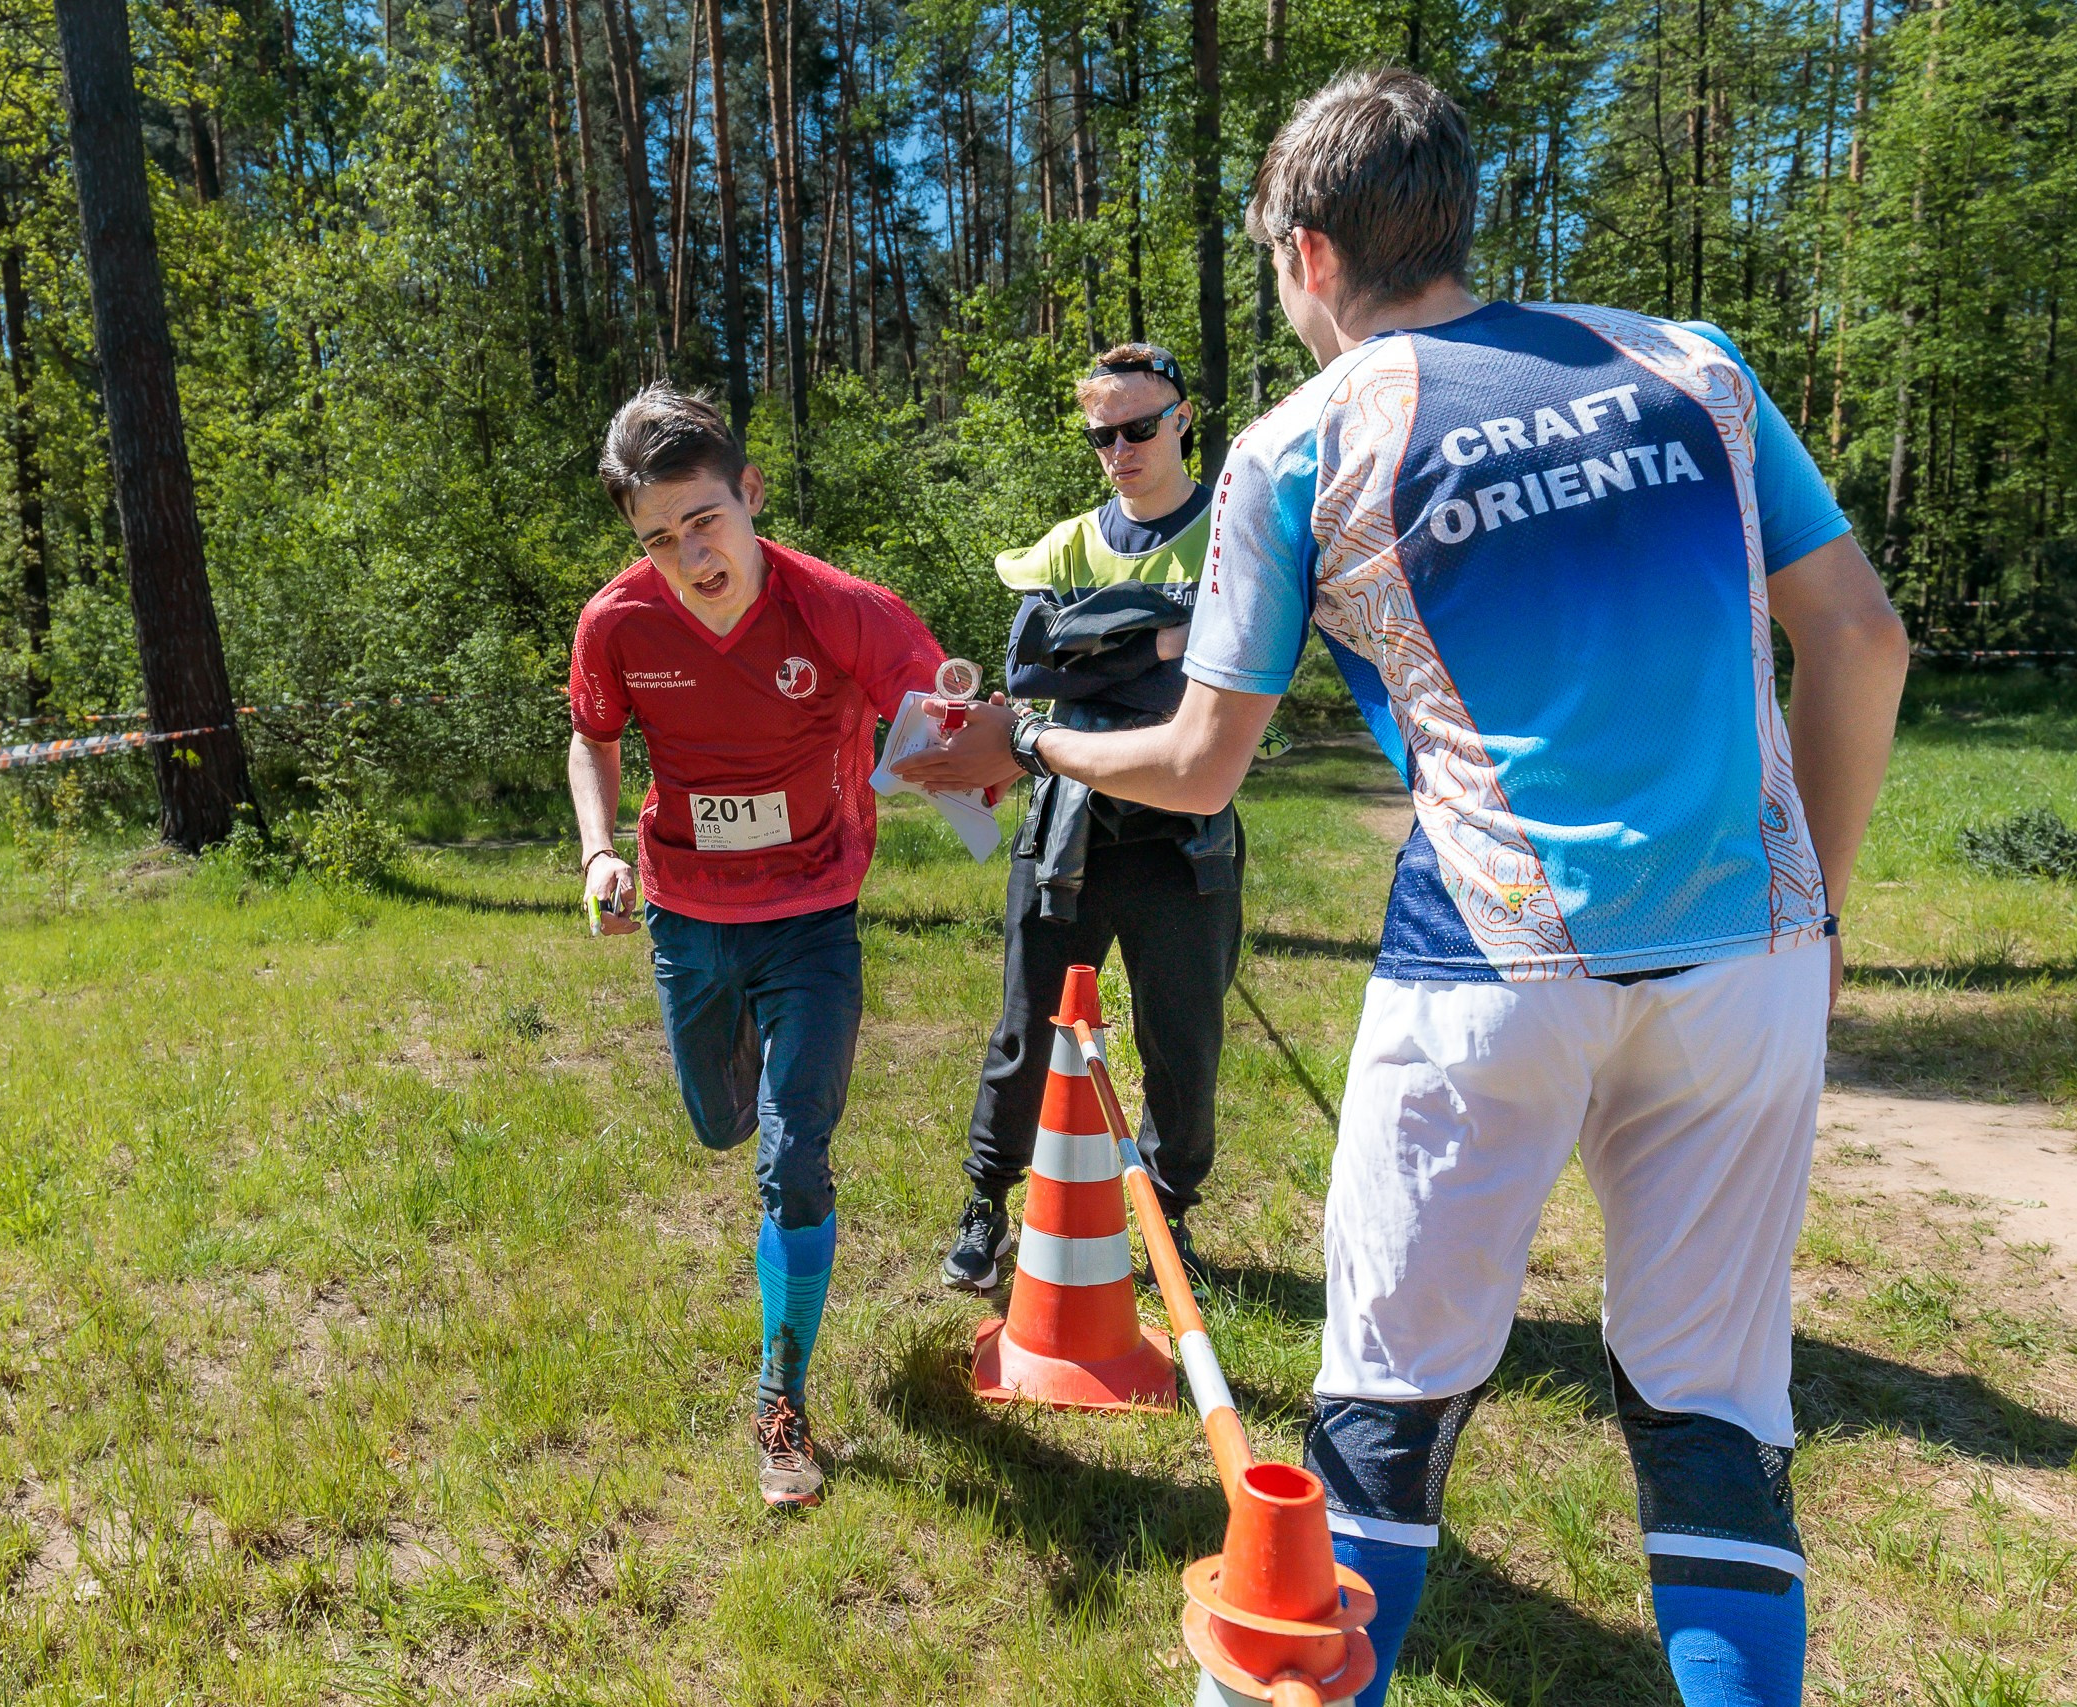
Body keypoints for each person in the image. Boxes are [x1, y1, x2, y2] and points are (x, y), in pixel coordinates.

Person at [897, 68, 1909, 1707]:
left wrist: (1027, 738)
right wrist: (1823, 916)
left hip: (1490, 968)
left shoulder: (1303, 443)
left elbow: (1200, 764)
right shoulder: (1693, 367)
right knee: (1718, 1410)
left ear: (1304, 256)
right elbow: (1861, 639)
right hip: (1751, 957)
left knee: (1384, 1406)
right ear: (1455, 221)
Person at [569, 385, 945, 1510]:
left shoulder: (839, 608)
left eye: (704, 521)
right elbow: (591, 737)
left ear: (750, 495)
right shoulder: (617, 622)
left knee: (791, 1154)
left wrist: (965, 740)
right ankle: (756, 1122)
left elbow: (933, 708)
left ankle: (781, 1401)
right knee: (718, 1122)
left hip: (814, 911)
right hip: (688, 914)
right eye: (657, 538)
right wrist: (597, 852)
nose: (689, 555)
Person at [941, 343, 1242, 1296]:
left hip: (1185, 838)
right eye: (1102, 434)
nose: (1120, 448)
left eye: (1139, 427)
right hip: (1066, 828)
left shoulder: (1234, 533)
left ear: (1183, 419)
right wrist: (1161, 633)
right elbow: (1029, 667)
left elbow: (1226, 669)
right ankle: (988, 1205)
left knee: (1182, 1042)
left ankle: (1167, 1216)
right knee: (1027, 1032)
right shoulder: (1069, 540)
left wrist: (1092, 645)